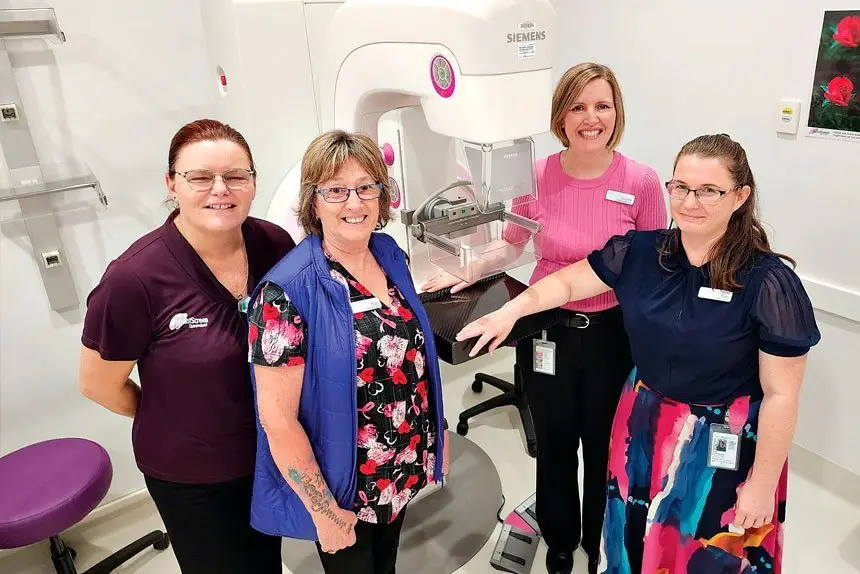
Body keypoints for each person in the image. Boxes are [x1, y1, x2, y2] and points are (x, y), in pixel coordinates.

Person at [455, 133, 821, 573]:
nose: (690, 202)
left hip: (719, 446)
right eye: (681, 187)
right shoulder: (642, 252)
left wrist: (762, 484)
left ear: (740, 197)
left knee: (704, 548)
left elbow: (782, 395)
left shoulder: (768, 281)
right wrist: (510, 313)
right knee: (635, 540)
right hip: (645, 425)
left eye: (709, 190)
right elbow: (567, 283)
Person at [422, 62, 667, 574]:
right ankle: (559, 538)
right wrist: (466, 271)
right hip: (546, 329)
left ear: (617, 112)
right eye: (578, 106)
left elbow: (653, 269)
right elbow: (513, 244)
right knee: (555, 443)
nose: (591, 118)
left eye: (602, 105)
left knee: (603, 447)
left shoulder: (641, 181)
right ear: (560, 117)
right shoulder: (537, 175)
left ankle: (599, 540)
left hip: (611, 336)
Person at [79, 119, 294, 573]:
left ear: (253, 182)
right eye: (199, 177)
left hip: (269, 454)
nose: (220, 189)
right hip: (194, 478)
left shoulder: (273, 244)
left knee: (265, 563)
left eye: (235, 175)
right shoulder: (135, 279)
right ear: (171, 184)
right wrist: (174, 416)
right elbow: (98, 384)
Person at [246, 129, 448, 574]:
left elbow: (415, 362)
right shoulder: (284, 292)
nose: (354, 203)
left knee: (387, 564)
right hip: (344, 488)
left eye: (365, 187)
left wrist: (439, 433)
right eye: (335, 190)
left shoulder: (389, 254)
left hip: (401, 463)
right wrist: (324, 512)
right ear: (313, 202)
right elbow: (277, 421)